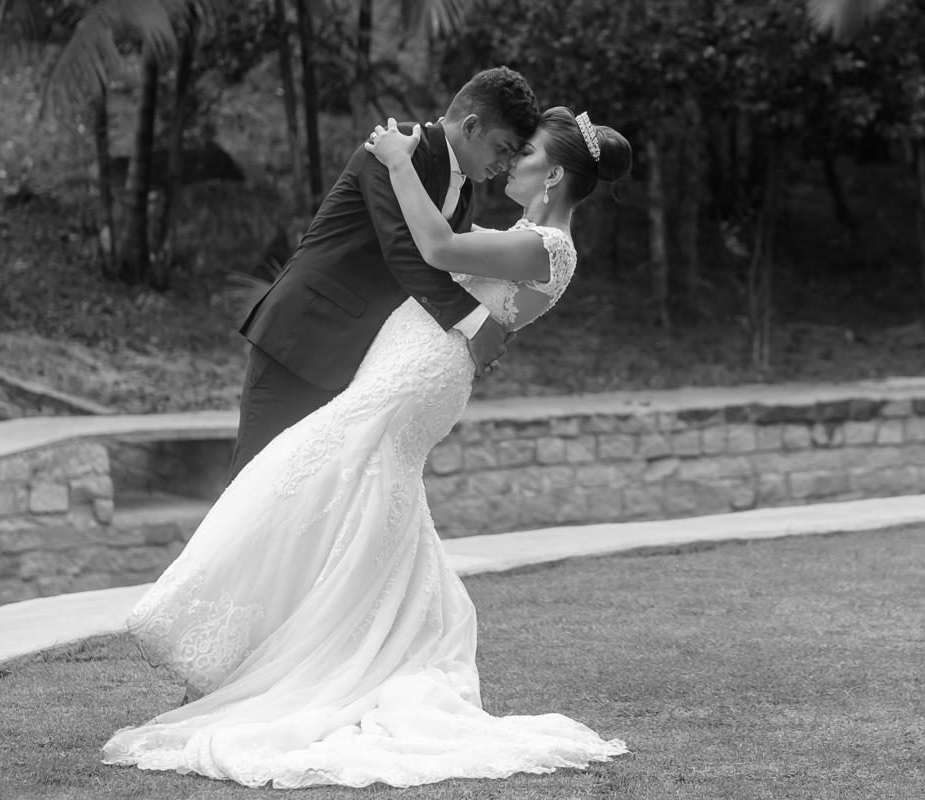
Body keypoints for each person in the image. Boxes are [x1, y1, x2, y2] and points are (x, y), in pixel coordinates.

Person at [102, 106, 634, 789]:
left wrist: (394, 162)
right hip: (421, 360)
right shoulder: (532, 237)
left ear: (553, 174)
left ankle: (281, 647)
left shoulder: (545, 246)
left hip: (423, 370)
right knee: (348, 485)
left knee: (316, 468)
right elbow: (438, 251)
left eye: (524, 152)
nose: (512, 162)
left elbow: (438, 248)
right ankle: (290, 640)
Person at [228, 67, 537, 480]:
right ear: (472, 125)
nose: (505, 163)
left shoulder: (464, 191)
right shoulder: (395, 149)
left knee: (307, 498)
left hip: (357, 361)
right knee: (249, 489)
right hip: (301, 338)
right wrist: (476, 324)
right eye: (503, 148)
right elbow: (402, 252)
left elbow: (442, 266)